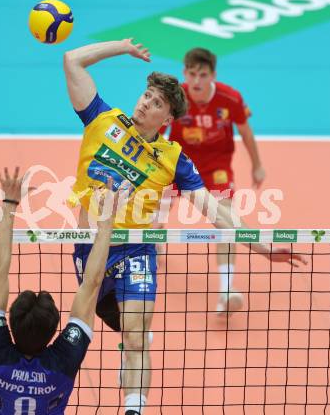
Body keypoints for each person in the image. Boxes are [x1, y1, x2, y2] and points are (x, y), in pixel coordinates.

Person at [63, 39, 306, 415]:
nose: (146, 103)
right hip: (90, 245)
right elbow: (72, 61)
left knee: (137, 334)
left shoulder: (173, 159)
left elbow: (216, 211)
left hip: (135, 248)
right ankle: (127, 342)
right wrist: (123, 48)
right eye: (146, 95)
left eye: (157, 103)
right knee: (105, 321)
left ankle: (134, 407)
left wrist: (261, 246)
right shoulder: (102, 120)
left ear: (167, 120)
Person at [0, 167, 122, 414]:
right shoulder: (63, 360)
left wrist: (9, 204)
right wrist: (107, 222)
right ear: (54, 329)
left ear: (10, 323)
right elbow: (92, 283)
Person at [159, 47, 266, 316]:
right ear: (185, 73)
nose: (196, 81)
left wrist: (257, 165)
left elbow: (245, 131)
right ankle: (152, 249)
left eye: (202, 75)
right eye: (191, 74)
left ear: (212, 75)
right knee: (153, 217)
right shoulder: (176, 97)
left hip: (216, 167)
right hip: (177, 164)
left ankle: (227, 290)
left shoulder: (230, 98)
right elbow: (156, 134)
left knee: (226, 221)